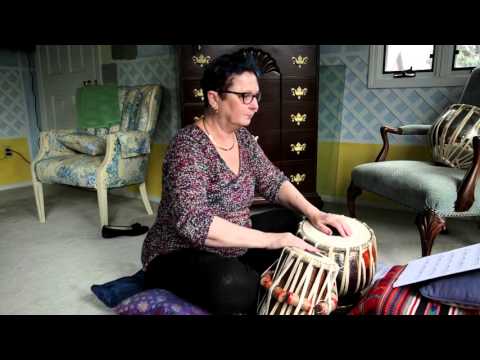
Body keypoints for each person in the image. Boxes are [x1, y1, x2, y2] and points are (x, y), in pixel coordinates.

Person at [141, 48, 352, 315]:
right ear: (214, 99)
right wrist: (271, 240)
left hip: (232, 242)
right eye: (245, 96)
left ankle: (258, 270)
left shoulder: (242, 139)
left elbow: (273, 181)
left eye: (256, 96)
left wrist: (315, 212)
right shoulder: (187, 147)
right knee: (233, 285)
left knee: (298, 223)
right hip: (178, 252)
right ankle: (249, 279)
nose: (255, 104)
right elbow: (195, 223)